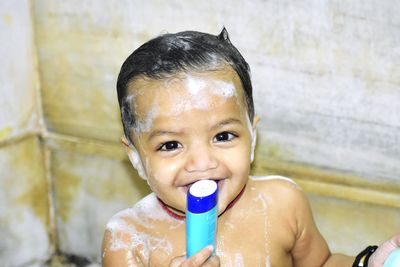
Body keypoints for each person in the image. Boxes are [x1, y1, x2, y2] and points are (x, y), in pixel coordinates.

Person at [102, 28, 400, 266]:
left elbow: (322, 263)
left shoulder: (283, 203)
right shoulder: (130, 241)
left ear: (252, 138)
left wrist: (367, 263)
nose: (202, 162)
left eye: (223, 136)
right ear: (136, 158)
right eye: (170, 144)